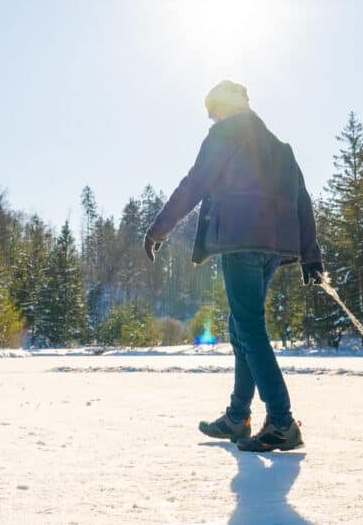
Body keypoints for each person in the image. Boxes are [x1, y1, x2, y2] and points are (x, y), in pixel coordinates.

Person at [143, 80, 323, 452]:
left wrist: (159, 229)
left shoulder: (223, 136)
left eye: (212, 112)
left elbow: (194, 185)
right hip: (273, 247)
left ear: (222, 108)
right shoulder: (281, 148)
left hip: (241, 242)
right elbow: (303, 201)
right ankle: (238, 417)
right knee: (239, 326)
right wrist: (310, 256)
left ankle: (282, 421)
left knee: (249, 327)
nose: (211, 119)